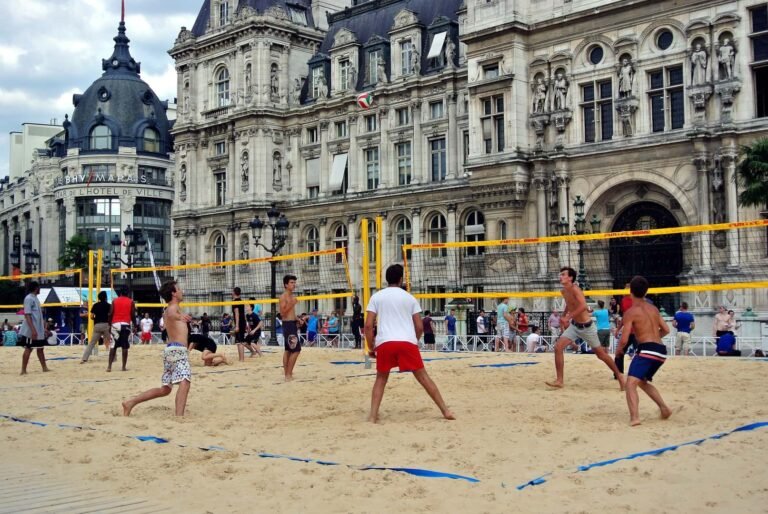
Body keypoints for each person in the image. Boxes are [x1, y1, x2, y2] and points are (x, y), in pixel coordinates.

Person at [364, 264, 455, 423]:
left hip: (385, 342)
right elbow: (419, 326)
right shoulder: (409, 297)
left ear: (387, 279)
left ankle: (372, 416)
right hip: (407, 342)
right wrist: (413, 339)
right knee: (424, 378)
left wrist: (372, 346)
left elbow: (368, 326)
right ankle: (445, 410)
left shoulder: (376, 297)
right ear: (401, 279)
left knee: (381, 379)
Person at [546, 267, 625, 389]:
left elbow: (583, 306)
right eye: (560, 274)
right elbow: (569, 304)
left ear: (570, 278)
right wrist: (563, 316)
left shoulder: (575, 289)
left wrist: (568, 318)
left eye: (563, 274)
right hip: (574, 326)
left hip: (587, 327)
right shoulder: (564, 291)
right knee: (558, 347)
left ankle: (619, 376)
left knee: (601, 355)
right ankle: (559, 380)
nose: (560, 276)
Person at [123, 281, 193, 417]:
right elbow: (172, 314)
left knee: (165, 389)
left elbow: (170, 315)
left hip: (171, 350)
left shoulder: (173, 308)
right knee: (185, 382)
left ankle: (130, 402)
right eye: (178, 289)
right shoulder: (173, 308)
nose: (181, 291)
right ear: (173, 293)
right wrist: (180, 316)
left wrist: (180, 317)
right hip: (177, 351)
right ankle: (179, 417)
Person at [617, 275, 673, 426]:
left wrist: (619, 350)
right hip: (660, 350)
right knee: (641, 381)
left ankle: (634, 418)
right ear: (646, 292)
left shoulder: (631, 312)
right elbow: (667, 330)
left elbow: (624, 338)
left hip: (647, 350)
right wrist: (655, 341)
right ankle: (664, 408)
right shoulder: (653, 308)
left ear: (630, 292)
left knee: (630, 384)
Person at [19, 281, 50, 375]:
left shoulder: (35, 298)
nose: (40, 289)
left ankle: (44, 367)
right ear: (36, 288)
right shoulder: (28, 298)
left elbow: (38, 316)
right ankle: (23, 370)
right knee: (28, 348)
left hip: (38, 329)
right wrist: (33, 330)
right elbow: (27, 315)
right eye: (39, 287)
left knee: (40, 348)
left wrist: (44, 328)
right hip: (31, 329)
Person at [108, 288, 135, 372]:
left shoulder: (114, 301)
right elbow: (133, 314)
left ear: (120, 293)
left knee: (113, 346)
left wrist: (109, 324)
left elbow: (111, 313)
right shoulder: (131, 301)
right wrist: (135, 325)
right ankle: (123, 367)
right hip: (125, 324)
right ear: (128, 294)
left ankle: (109, 367)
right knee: (125, 346)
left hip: (115, 324)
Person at [279, 274, 301, 381]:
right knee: (296, 349)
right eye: (292, 283)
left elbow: (291, 313)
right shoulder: (283, 297)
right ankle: (288, 374)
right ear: (286, 285)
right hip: (288, 325)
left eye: (294, 282)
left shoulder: (291, 296)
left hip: (291, 323)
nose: (294, 285)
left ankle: (288, 373)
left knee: (288, 350)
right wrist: (292, 303)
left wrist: (298, 319)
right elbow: (282, 313)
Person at [81, 291, 111, 363]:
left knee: (92, 343)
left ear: (98, 298)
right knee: (110, 342)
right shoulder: (109, 305)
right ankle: (114, 358)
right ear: (106, 297)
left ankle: (84, 358)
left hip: (97, 325)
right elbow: (110, 315)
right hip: (106, 325)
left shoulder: (95, 305)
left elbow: (91, 316)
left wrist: (95, 319)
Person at [232, 287, 249, 361]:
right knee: (239, 341)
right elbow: (244, 314)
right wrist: (246, 323)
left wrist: (237, 326)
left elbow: (237, 314)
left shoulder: (235, 301)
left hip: (240, 323)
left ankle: (241, 359)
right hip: (243, 322)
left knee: (240, 341)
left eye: (232, 291)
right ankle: (240, 359)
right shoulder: (241, 301)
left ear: (234, 293)